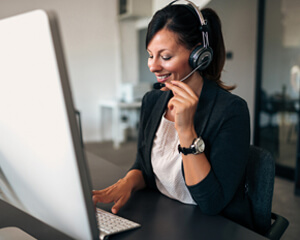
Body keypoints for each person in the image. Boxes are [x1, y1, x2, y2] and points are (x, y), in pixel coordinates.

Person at [93, 0, 253, 230]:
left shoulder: (230, 111)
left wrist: (187, 131)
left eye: (165, 57)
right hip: (163, 216)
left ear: (199, 55)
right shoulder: (153, 100)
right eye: (150, 55)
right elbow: (144, 166)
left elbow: (211, 203)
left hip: (209, 228)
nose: (153, 66)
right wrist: (126, 182)